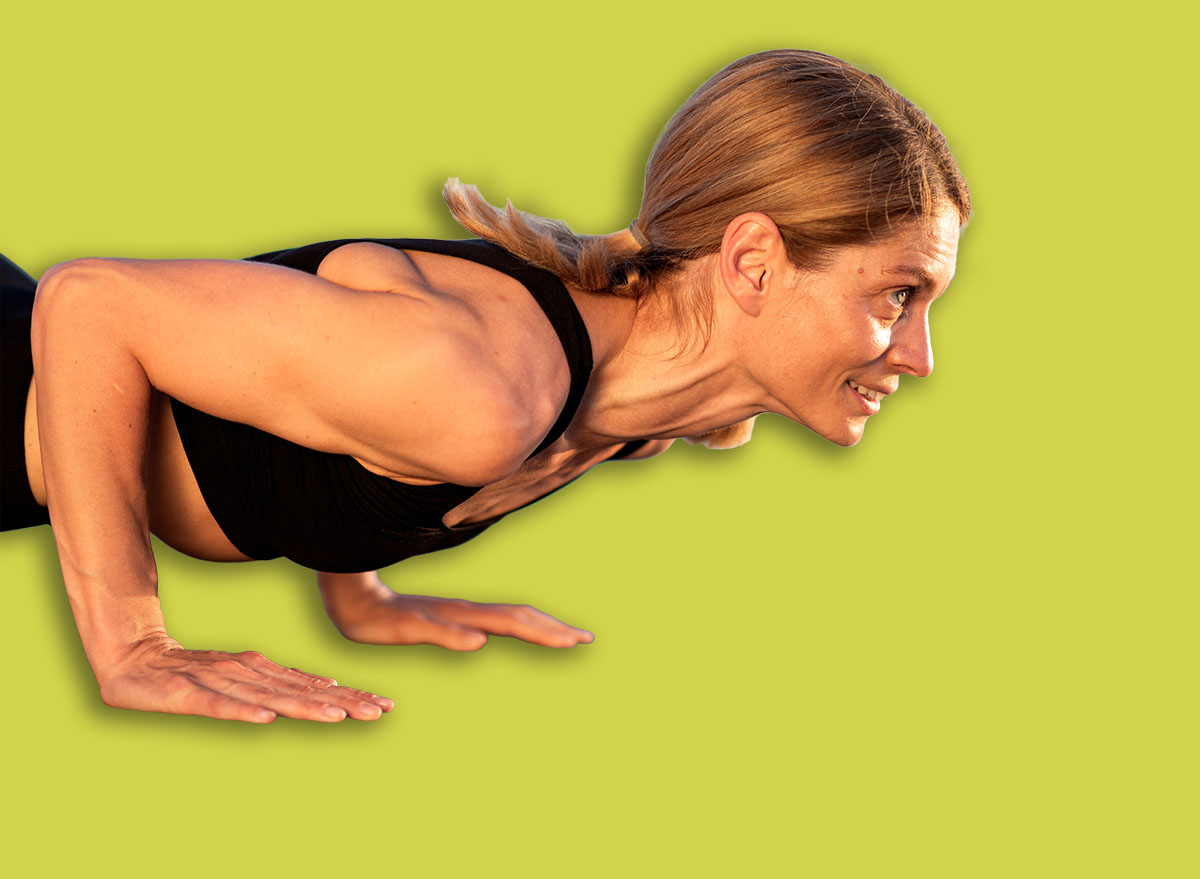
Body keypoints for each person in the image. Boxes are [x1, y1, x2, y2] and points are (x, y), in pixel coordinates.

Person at [1, 49, 969, 724]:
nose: (919, 356)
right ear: (753, 262)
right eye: (897, 293)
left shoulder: (668, 406)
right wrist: (131, 642)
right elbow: (92, 305)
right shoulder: (479, 389)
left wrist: (360, 590)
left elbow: (326, 409)